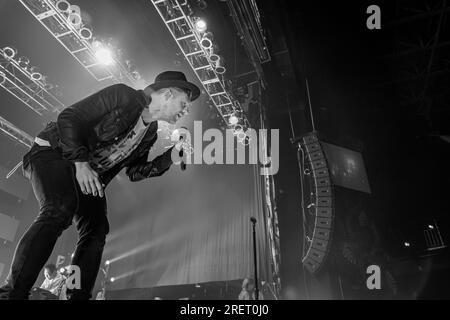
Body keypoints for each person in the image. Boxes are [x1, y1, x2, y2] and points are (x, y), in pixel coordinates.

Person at [0, 71, 200, 300]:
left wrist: (171, 156)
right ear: (167, 93)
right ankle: (11, 293)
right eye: (184, 103)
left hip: (86, 174)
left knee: (96, 229)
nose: (186, 110)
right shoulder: (123, 96)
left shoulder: (149, 134)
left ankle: (77, 296)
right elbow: (69, 118)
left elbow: (135, 172)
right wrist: (81, 163)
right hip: (54, 152)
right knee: (59, 208)